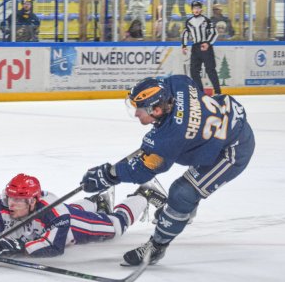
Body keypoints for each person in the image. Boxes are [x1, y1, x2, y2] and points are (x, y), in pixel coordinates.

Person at [80, 75, 255, 265]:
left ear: (156, 109)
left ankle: (157, 247)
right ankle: (183, 211)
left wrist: (109, 174)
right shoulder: (178, 84)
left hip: (232, 149)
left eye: (139, 109)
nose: (136, 113)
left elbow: (143, 169)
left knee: (182, 194)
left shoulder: (171, 135)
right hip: (215, 135)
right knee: (182, 199)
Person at [0, 173, 166, 265]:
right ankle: (97, 201)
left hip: (70, 227)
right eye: (11, 198)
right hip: (62, 214)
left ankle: (143, 194)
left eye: (20, 200)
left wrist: (17, 246)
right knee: (70, 209)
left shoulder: (54, 212)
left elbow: (54, 245)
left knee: (115, 227)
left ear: (33, 201)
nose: (12, 204)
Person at [182, 1, 221, 94]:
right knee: (194, 71)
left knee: (210, 70)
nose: (196, 10)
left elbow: (214, 33)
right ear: (191, 10)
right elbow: (185, 33)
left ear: (201, 9)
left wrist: (207, 43)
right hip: (195, 48)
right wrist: (184, 45)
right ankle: (200, 92)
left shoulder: (206, 20)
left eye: (198, 8)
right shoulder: (189, 22)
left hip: (206, 47)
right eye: (194, 8)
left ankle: (218, 92)